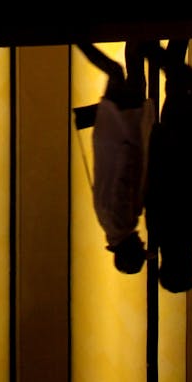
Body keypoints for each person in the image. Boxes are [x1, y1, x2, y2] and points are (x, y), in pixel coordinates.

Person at [145, 40, 192, 293]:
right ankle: (174, 38)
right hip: (178, 144)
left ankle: (150, 49)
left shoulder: (171, 237)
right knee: (181, 86)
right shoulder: (168, 239)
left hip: (179, 144)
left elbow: (160, 186)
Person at [74, 41, 156, 274]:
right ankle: (132, 36)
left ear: (130, 250)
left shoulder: (123, 222)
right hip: (114, 136)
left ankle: (80, 39)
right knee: (125, 75)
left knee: (122, 74)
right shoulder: (108, 223)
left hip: (124, 132)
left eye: (139, 248)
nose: (142, 243)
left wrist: (133, 145)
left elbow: (125, 177)